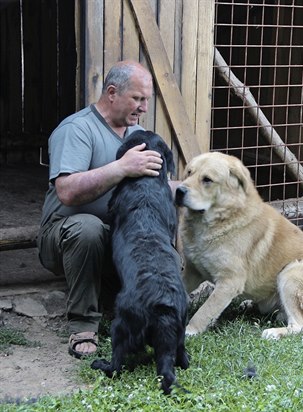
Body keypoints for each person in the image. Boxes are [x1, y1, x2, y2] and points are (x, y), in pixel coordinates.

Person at [38, 60, 166, 358]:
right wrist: (121, 168)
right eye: (138, 98)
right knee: (88, 228)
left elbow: (157, 186)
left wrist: (191, 192)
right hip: (64, 237)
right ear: (112, 92)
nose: (144, 108)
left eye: (146, 100)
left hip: (111, 239)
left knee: (154, 238)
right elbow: (67, 192)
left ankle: (150, 320)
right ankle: (83, 325)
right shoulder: (77, 129)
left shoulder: (138, 134)